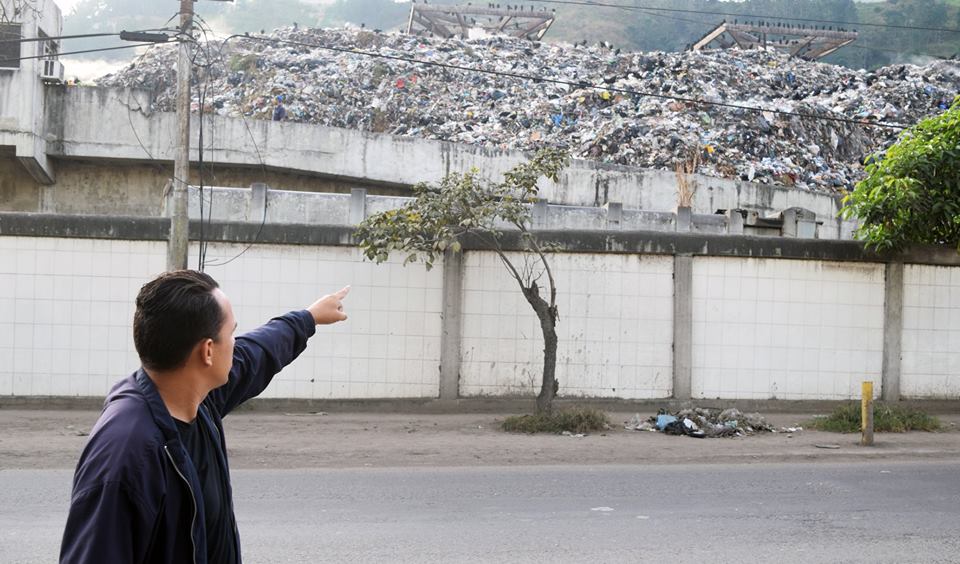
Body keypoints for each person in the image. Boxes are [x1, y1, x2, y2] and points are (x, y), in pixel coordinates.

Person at [60, 270, 349, 563]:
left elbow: (255, 354)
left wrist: (309, 318)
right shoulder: (127, 453)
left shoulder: (198, 398)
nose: (236, 343)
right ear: (207, 351)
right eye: (231, 333)